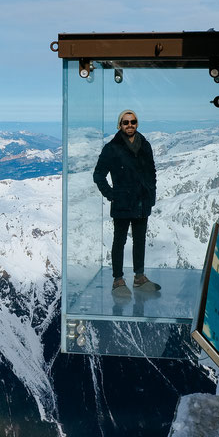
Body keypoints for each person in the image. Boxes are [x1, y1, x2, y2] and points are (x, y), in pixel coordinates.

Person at [93, 109, 160, 297]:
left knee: (140, 240)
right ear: (119, 125)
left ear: (137, 123)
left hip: (142, 201)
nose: (129, 125)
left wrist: (151, 192)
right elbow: (98, 175)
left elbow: (151, 171)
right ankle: (118, 279)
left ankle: (139, 277)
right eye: (125, 122)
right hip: (122, 202)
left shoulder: (145, 145)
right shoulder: (111, 148)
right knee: (119, 241)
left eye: (133, 122)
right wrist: (111, 195)